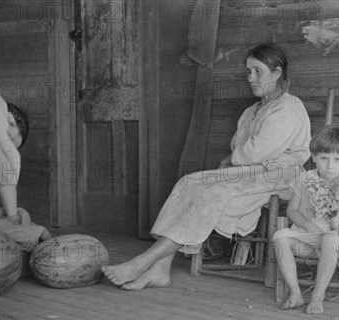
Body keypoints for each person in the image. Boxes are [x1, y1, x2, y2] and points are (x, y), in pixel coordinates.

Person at [103, 43, 311, 290]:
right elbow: (241, 149)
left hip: (283, 177)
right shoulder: (253, 110)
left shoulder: (288, 108)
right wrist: (234, 158)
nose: (250, 78)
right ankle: (160, 270)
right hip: (251, 171)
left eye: (258, 71)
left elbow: (254, 151)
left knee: (213, 193)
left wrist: (234, 158)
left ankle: (141, 262)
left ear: (277, 73)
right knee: (188, 182)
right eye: (248, 72)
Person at [273, 125, 339, 314]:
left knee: (331, 238)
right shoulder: (304, 180)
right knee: (279, 237)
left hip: (338, 245)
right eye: (324, 158)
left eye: (337, 159)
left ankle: (317, 295)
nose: (330, 166)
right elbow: (292, 211)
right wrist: (308, 224)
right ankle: (296, 293)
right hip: (309, 239)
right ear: (314, 157)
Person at [0, 76, 29, 224]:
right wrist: (13, 217)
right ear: (12, 118)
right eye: (13, 139)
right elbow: (7, 157)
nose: (9, 143)